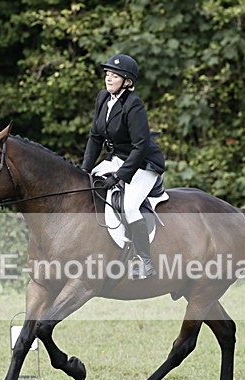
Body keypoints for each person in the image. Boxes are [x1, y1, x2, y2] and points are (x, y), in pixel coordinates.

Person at [81, 54, 166, 279]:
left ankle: (144, 261)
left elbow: (139, 147)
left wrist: (119, 177)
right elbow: (95, 138)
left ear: (127, 81)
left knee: (129, 206)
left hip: (143, 164)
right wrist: (84, 170)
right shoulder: (102, 98)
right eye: (107, 74)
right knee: (86, 186)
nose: (108, 79)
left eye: (115, 75)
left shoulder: (133, 104)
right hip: (117, 158)